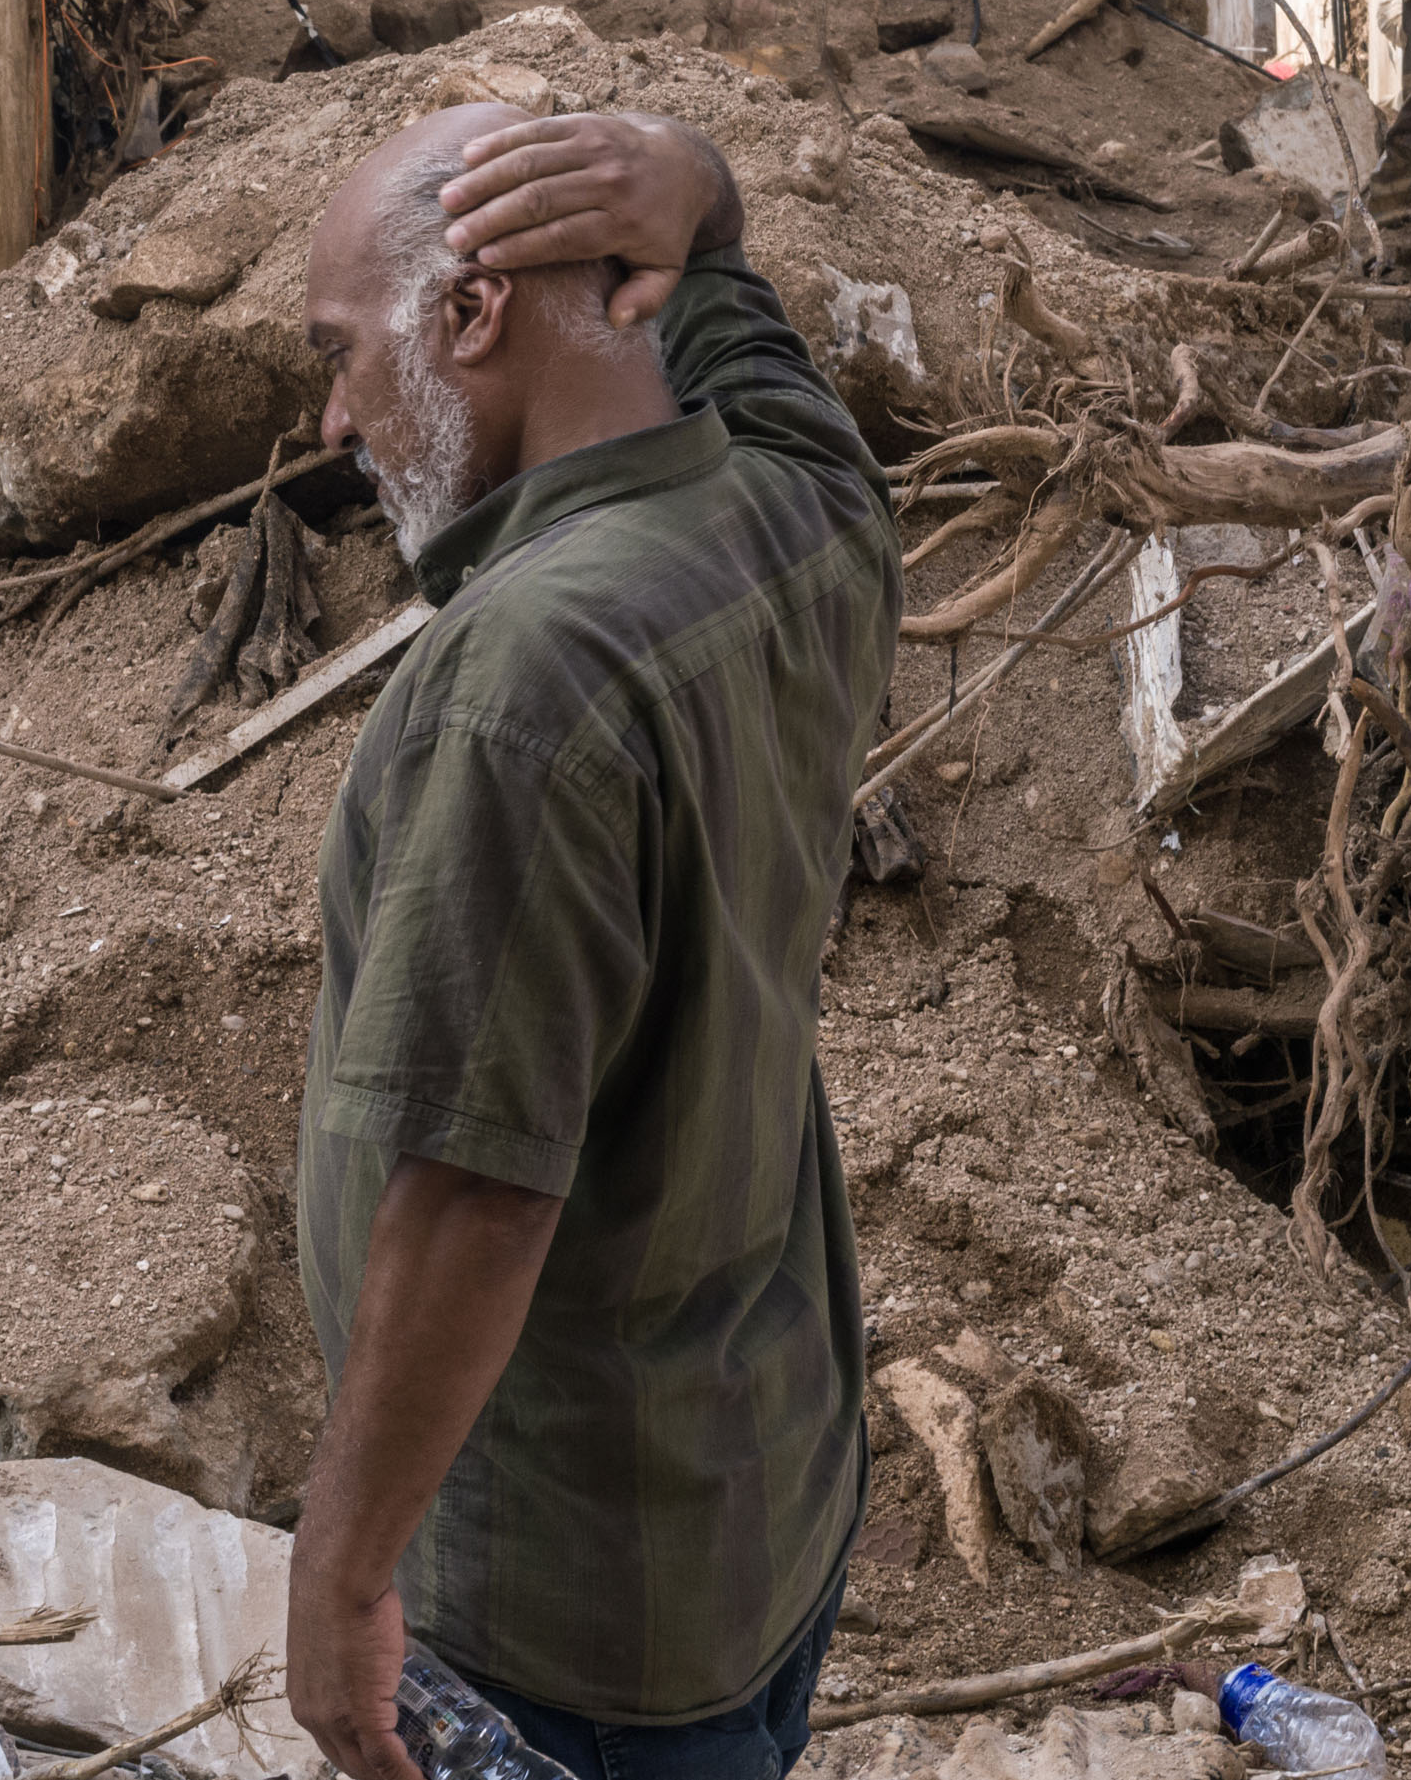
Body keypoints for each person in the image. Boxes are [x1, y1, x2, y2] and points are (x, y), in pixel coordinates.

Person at [282, 100, 894, 1780]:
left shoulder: (530, 679)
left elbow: (481, 1184)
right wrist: (695, 181)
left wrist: (340, 1576)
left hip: (571, 1621)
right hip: (759, 1497)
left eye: (344, 352)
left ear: (473, 315)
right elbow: (729, 300)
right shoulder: (809, 506)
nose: (337, 418)